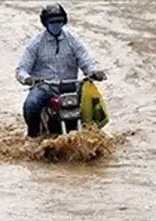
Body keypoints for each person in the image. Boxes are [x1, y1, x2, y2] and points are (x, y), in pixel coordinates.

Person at [14, 4, 106, 138]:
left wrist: (93, 72)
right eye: (53, 22)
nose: (56, 25)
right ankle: (32, 137)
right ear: (45, 23)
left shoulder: (72, 39)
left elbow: (85, 59)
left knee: (93, 105)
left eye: (59, 21)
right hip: (45, 87)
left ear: (64, 21)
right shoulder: (36, 43)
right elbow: (21, 69)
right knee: (31, 104)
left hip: (70, 87)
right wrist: (27, 79)